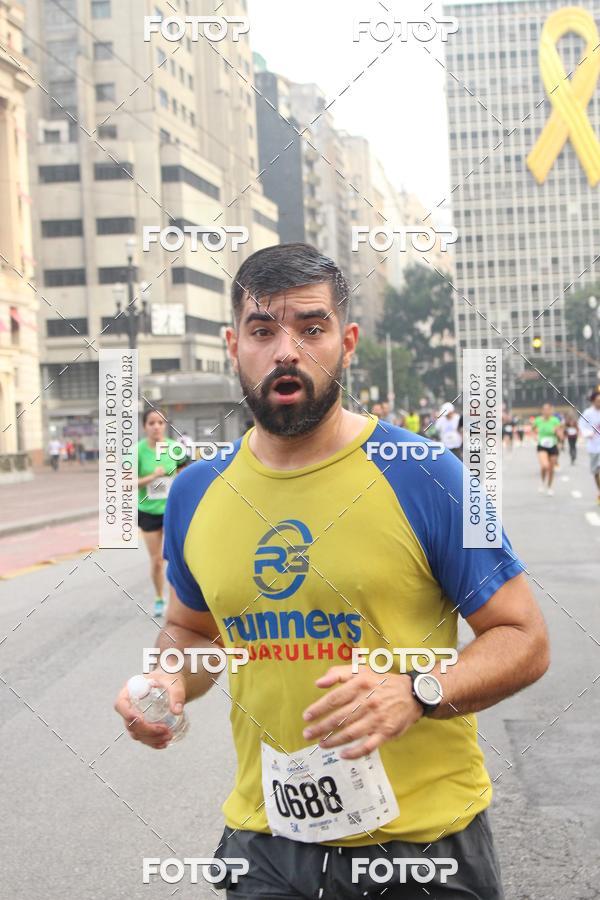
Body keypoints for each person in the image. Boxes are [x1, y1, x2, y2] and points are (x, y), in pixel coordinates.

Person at [115, 243, 549, 900]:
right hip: (267, 844)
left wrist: (418, 691)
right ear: (234, 345)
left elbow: (525, 638)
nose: (286, 350)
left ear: (345, 341)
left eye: (310, 327)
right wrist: (167, 680)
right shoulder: (193, 492)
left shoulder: (432, 474)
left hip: (423, 849)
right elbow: (192, 632)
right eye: (264, 330)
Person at [137, 409, 182, 617]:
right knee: (156, 560)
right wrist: (151, 477)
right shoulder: (137, 452)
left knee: (177, 558)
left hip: (172, 511)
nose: (156, 427)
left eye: (160, 423)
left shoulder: (175, 449)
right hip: (148, 511)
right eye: (151, 423)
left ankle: (179, 599)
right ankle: (158, 597)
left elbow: (185, 476)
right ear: (145, 426)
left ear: (165, 426)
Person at [532, 403, 564, 495]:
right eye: (544, 409)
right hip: (542, 445)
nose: (546, 411)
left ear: (551, 411)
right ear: (542, 411)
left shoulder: (555, 420)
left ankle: (550, 487)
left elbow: (560, 433)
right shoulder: (537, 420)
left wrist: (559, 434)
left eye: (548, 409)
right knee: (544, 466)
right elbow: (533, 429)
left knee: (551, 468)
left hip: (553, 445)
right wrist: (535, 435)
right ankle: (542, 483)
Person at [577, 389, 600, 504]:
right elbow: (582, 425)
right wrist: (587, 433)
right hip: (594, 446)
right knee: (596, 472)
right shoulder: (588, 413)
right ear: (593, 401)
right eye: (597, 401)